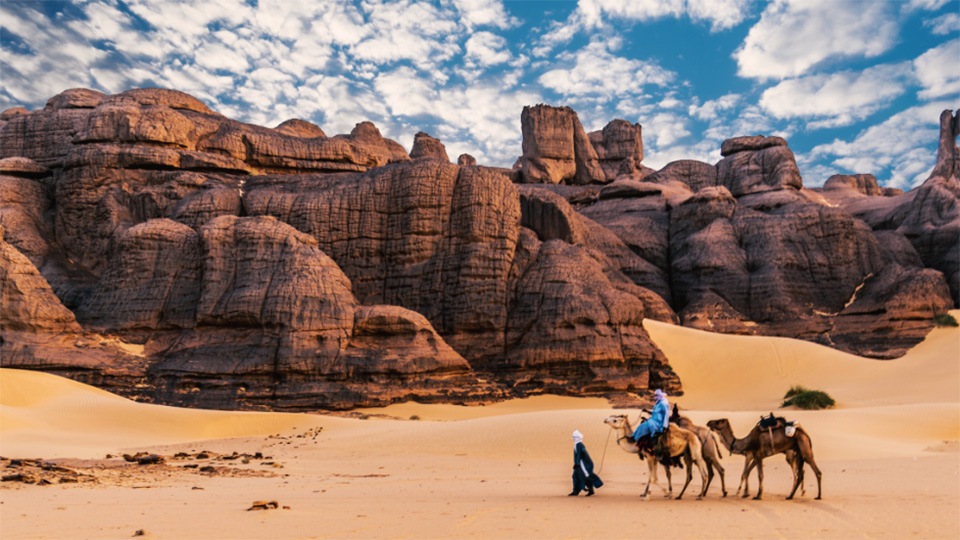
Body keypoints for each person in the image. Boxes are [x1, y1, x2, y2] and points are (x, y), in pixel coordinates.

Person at [569, 429, 602, 496]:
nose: (573, 438)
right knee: (576, 476)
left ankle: (586, 490)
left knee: (584, 476)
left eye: (574, 437)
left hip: (583, 465)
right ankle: (576, 491)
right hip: (580, 465)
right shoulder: (578, 444)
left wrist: (577, 464)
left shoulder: (579, 445)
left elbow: (579, 455)